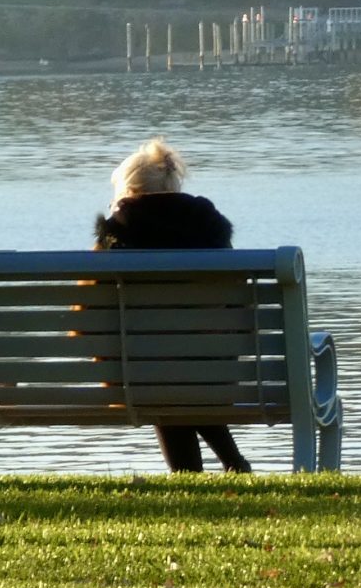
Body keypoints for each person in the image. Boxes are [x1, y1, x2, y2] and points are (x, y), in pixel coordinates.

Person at [93, 137, 252, 474]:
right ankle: (232, 463)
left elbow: (89, 313)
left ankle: (194, 475)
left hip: (141, 373)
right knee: (177, 364)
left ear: (129, 192)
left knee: (157, 363)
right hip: (217, 372)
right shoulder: (211, 231)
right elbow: (235, 305)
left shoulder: (116, 235)